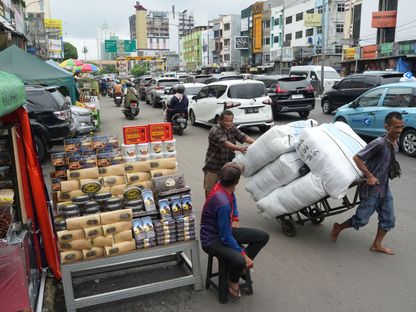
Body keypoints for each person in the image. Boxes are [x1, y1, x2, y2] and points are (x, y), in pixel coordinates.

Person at [330, 112, 404, 255]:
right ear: (387, 126)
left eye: (401, 127)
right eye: (396, 127)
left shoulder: (395, 143)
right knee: (361, 219)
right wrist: (369, 176)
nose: (400, 131)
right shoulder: (378, 143)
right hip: (371, 190)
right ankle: (338, 227)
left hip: (384, 188)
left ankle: (377, 245)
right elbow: (357, 158)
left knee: (389, 218)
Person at [200, 162, 269, 300]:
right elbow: (225, 237)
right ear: (237, 181)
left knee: (262, 237)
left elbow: (233, 198)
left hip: (224, 231)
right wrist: (243, 255)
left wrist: (235, 217)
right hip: (212, 240)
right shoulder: (222, 203)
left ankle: (236, 270)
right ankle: (234, 279)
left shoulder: (222, 187)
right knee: (239, 259)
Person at [203, 110, 255, 198]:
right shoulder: (215, 130)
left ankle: (227, 206)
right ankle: (209, 206)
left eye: (231, 121)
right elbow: (225, 143)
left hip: (228, 166)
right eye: (226, 121)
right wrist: (239, 148)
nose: (229, 123)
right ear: (220, 120)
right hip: (214, 165)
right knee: (210, 189)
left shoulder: (232, 128)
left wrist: (257, 143)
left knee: (228, 189)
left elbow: (243, 136)